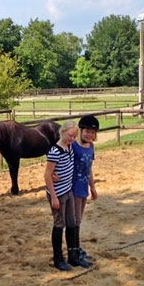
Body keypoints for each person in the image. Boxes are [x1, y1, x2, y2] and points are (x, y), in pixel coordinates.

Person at [44, 120, 91, 271]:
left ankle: (73, 256)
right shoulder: (55, 151)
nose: (72, 139)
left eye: (74, 136)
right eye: (70, 135)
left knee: (71, 223)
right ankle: (58, 258)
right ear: (62, 132)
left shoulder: (69, 147)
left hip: (68, 190)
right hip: (58, 193)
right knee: (59, 224)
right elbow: (47, 175)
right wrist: (54, 196)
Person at [72, 115, 99, 262]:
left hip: (83, 188)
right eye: (87, 131)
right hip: (73, 187)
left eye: (92, 132)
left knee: (79, 219)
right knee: (75, 219)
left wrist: (92, 187)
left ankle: (77, 247)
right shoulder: (74, 146)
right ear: (81, 131)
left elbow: (89, 169)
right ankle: (74, 249)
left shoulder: (91, 147)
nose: (89, 134)